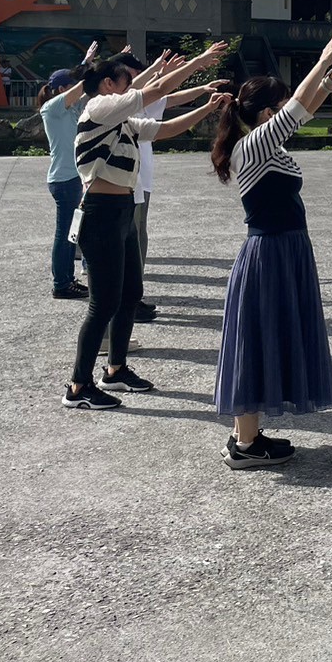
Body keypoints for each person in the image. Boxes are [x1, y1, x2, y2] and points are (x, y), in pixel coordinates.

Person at [210, 34, 332, 468]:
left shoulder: (262, 145)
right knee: (258, 340)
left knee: (262, 339)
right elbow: (298, 108)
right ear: (264, 113)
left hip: (281, 251)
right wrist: (322, 62)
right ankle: (246, 443)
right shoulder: (253, 146)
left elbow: (300, 109)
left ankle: (247, 437)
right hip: (271, 253)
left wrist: (329, 80)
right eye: (275, 108)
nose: (283, 114)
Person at [60, 43, 229, 410]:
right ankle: (77, 386)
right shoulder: (99, 108)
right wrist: (198, 64)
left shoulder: (119, 119)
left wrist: (206, 108)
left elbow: (164, 129)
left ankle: (115, 368)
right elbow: (154, 92)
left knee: (130, 293)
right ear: (108, 84)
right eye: (127, 82)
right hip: (101, 213)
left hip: (122, 210)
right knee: (102, 304)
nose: (132, 87)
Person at [130, 50, 233, 322]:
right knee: (128, 246)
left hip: (141, 183)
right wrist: (193, 65)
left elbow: (167, 96)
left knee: (138, 239)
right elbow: (161, 89)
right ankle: (127, 303)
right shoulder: (115, 109)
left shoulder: (133, 109)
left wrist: (202, 91)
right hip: (125, 187)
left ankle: (132, 298)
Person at [39, 52, 95, 300]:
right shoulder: (52, 108)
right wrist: (93, 70)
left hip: (74, 180)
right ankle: (61, 283)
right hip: (64, 181)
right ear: (61, 89)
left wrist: (90, 65)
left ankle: (67, 279)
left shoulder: (72, 109)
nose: (77, 92)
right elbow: (85, 86)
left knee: (72, 233)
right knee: (65, 234)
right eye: (71, 87)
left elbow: (89, 91)